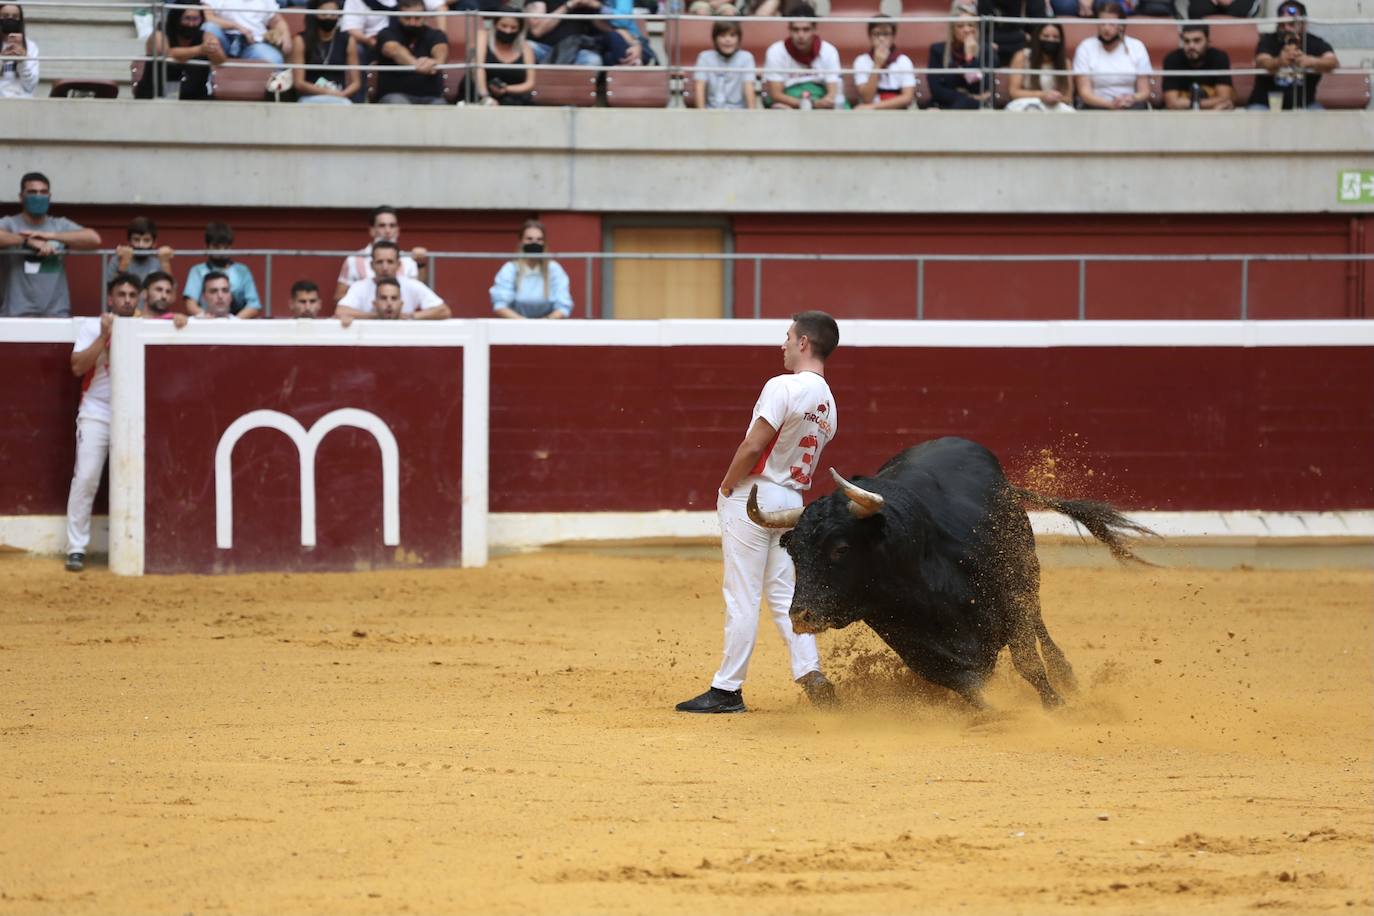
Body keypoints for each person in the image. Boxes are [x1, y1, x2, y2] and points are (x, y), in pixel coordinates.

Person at [675, 311, 841, 714]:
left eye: (787, 337)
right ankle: (810, 671)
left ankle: (727, 689)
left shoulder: (783, 386)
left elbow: (753, 446)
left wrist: (727, 484)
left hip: (754, 497)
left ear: (803, 343)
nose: (782, 344)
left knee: (742, 595)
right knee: (785, 594)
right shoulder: (830, 404)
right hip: (792, 504)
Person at [64, 273, 183, 572]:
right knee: (87, 476)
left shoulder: (148, 325)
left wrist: (179, 320)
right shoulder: (93, 326)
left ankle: (156, 543)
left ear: (139, 298)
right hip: (98, 411)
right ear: (111, 299)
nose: (127, 300)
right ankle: (76, 547)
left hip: (141, 413)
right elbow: (78, 367)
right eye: (122, 295)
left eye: (132, 295)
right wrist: (104, 336)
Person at [0, 172, 101, 318]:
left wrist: (51, 236)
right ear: (21, 197)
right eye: (32, 192)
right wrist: (26, 241)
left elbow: (93, 239)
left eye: (43, 192)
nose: (38, 196)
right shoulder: (10, 224)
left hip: (56, 313)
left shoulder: (59, 225)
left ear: (49, 196)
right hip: (16, 313)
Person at [1245, 0, 1336, 111]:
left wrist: (1312, 61)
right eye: (1282, 24)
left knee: (1321, 117)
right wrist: (1279, 61)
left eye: (1291, 24)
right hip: (1265, 104)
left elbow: (1333, 62)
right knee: (1253, 115)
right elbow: (1261, 61)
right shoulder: (1268, 40)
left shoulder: (1313, 42)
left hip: (1305, 105)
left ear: (1303, 24)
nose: (1287, 28)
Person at [337, 241, 450, 320]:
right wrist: (377, 316)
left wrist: (410, 316)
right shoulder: (359, 287)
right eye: (380, 262)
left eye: (390, 262)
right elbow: (340, 311)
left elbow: (444, 311)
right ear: (372, 265)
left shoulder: (412, 285)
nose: (385, 267)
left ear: (399, 264)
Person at [335, 206, 428, 302]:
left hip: (400, 316)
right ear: (372, 230)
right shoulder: (354, 260)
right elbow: (339, 297)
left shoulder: (408, 260)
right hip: (364, 316)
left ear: (398, 231)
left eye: (392, 226)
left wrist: (420, 263)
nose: (388, 231)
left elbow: (419, 296)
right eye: (382, 226)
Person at [763, 2, 843, 110]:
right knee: (779, 107)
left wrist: (823, 103)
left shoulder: (829, 51)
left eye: (806, 30)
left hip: (820, 99)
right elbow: (776, 95)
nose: (801, 35)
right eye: (796, 30)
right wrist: (810, 104)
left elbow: (833, 92)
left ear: (814, 29)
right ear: (789, 30)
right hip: (789, 100)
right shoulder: (776, 51)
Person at [1073, 2, 1150, 111]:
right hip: (1096, 105)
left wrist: (1131, 98)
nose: (1106, 28)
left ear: (1121, 26)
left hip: (1129, 105)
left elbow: (1144, 92)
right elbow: (1084, 93)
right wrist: (1110, 104)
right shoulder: (1085, 47)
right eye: (1102, 24)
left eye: (1111, 24)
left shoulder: (1137, 47)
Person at [134, 3, 220, 99]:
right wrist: (200, 49)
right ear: (177, 18)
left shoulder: (205, 36)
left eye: (196, 19)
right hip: (154, 96)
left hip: (194, 99)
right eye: (187, 18)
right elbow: (167, 54)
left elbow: (220, 60)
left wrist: (213, 47)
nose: (191, 24)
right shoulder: (159, 34)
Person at [489, 220, 572, 319]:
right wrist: (525, 324)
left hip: (548, 328)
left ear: (544, 243)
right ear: (521, 242)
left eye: (539, 239)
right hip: (515, 328)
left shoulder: (554, 269)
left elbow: (563, 306)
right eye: (529, 239)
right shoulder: (510, 269)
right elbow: (500, 306)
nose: (534, 243)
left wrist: (544, 323)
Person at [182, 222, 262, 318]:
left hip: (236, 325)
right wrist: (206, 318)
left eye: (226, 247)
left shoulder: (242, 271)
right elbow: (190, 304)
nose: (222, 252)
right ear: (206, 247)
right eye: (217, 247)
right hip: (206, 323)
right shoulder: (197, 271)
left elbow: (254, 306)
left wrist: (232, 322)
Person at [375, 0, 448, 105]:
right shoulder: (386, 33)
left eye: (417, 18)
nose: (412, 23)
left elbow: (441, 50)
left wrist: (436, 62)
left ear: (425, 17)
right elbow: (393, 49)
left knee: (441, 105)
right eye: (407, 18)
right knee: (398, 103)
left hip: (431, 97)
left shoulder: (436, 34)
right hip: (394, 96)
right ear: (399, 16)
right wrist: (418, 65)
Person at [289, 0, 360, 103]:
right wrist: (326, 92)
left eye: (333, 14)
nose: (329, 17)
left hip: (339, 97)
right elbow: (298, 82)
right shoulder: (300, 40)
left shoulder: (348, 40)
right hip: (309, 97)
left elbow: (356, 82)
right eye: (324, 13)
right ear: (314, 14)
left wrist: (342, 95)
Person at [525, 0, 632, 68]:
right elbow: (537, 30)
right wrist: (568, 5)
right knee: (527, 47)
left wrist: (595, 6)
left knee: (593, 60)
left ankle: (572, 102)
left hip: (577, 51)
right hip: (544, 49)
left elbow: (609, 30)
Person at [928, 1, 992, 110]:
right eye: (960, 26)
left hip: (973, 108)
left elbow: (981, 89)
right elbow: (936, 89)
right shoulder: (938, 50)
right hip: (944, 104)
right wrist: (967, 97)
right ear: (952, 30)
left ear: (976, 28)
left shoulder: (985, 51)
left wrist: (970, 59)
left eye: (971, 25)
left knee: (968, 104)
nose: (966, 30)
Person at [1162, 23, 1234, 111]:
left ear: (1208, 41)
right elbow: (1171, 102)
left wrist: (1185, 103)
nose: (1191, 46)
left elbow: (1225, 99)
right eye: (1186, 41)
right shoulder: (1172, 59)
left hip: (1212, 114)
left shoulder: (1219, 57)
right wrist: (1210, 104)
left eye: (1197, 40)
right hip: (1183, 115)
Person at [471, 8, 536, 106]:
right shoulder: (483, 36)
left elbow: (530, 83)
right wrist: (485, 97)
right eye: (504, 26)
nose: (508, 31)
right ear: (495, 24)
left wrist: (505, 88)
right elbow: (478, 68)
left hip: (513, 99)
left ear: (520, 29)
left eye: (513, 28)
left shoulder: (525, 47)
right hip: (480, 95)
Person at [1006, 21, 1074, 112]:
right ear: (1037, 38)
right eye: (1046, 36)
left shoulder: (1065, 63)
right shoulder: (1022, 56)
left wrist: (1054, 98)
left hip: (1055, 106)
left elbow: (1068, 97)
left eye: (1055, 37)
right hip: (1026, 103)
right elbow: (1014, 92)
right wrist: (1042, 95)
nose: (1051, 40)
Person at [203, 0, 292, 68]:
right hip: (225, 40)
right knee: (209, 27)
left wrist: (285, 36)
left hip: (253, 43)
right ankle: (216, 67)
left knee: (275, 59)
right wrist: (236, 26)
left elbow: (277, 21)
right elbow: (209, 18)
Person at [853, 16, 915, 110]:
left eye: (886, 34)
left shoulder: (903, 61)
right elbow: (867, 98)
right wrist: (877, 65)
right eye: (876, 34)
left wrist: (873, 106)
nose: (881, 38)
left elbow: (907, 98)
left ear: (893, 37)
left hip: (898, 111)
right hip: (871, 114)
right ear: (870, 36)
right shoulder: (861, 61)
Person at [693, 20, 756, 110]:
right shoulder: (704, 57)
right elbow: (699, 86)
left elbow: (748, 86)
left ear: (739, 39)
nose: (728, 40)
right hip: (711, 111)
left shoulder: (746, 57)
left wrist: (751, 116)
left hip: (739, 112)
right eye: (722, 36)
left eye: (732, 35)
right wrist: (703, 115)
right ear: (715, 39)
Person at [104, 217, 174, 287]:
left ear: (154, 243)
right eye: (136, 239)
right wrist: (123, 264)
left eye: (146, 240)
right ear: (128, 242)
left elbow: (171, 292)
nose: (141, 245)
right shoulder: (118, 259)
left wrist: (165, 264)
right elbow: (110, 291)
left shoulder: (159, 261)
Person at [977, 0, 1049, 68]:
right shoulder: (985, 2)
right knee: (988, 52)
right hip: (995, 45)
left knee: (1022, 53)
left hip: (1020, 47)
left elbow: (1037, 31)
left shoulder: (1034, 3)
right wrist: (1022, 36)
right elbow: (984, 33)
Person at [0, 3, 39, 99]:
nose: (10, 19)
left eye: (15, 16)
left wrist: (22, 62)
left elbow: (30, 86)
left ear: (20, 20)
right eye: (5, 16)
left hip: (23, 102)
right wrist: (2, 59)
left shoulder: (30, 46)